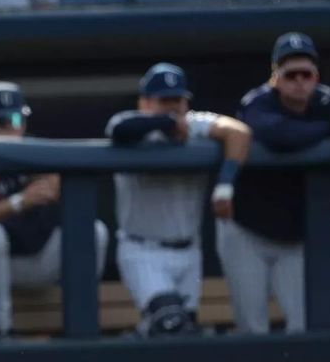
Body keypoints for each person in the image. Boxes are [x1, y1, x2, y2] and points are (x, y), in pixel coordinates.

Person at [223, 32, 330, 334]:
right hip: (248, 230)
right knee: (252, 329)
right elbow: (280, 137)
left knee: (306, 326)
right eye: (291, 74)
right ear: (275, 76)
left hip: (296, 239)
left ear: (316, 76)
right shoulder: (258, 101)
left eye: (307, 74)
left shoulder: (328, 99)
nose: (300, 81)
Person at [0, 82, 109, 339]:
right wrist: (18, 202)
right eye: (1, 120)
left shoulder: (33, 150)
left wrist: (30, 167)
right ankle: (3, 329)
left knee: (94, 231)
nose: (11, 126)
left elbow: (55, 188)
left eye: (16, 118)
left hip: (39, 259)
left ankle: (80, 323)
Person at [106, 64, 252, 336]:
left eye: (178, 100)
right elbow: (118, 128)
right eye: (165, 101)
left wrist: (224, 186)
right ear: (145, 102)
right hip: (143, 251)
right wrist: (167, 122)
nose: (173, 107)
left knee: (178, 333)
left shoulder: (195, 124)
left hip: (189, 251)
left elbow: (239, 132)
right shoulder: (135, 129)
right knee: (171, 324)